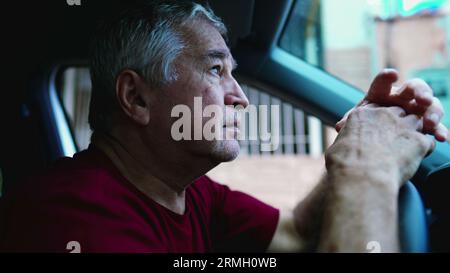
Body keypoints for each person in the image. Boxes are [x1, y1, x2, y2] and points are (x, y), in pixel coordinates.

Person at [0, 0, 448, 253]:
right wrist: (366, 173)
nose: (241, 96)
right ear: (136, 98)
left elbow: (292, 234)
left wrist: (353, 150)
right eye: (216, 70)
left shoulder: (187, 192)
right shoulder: (69, 219)